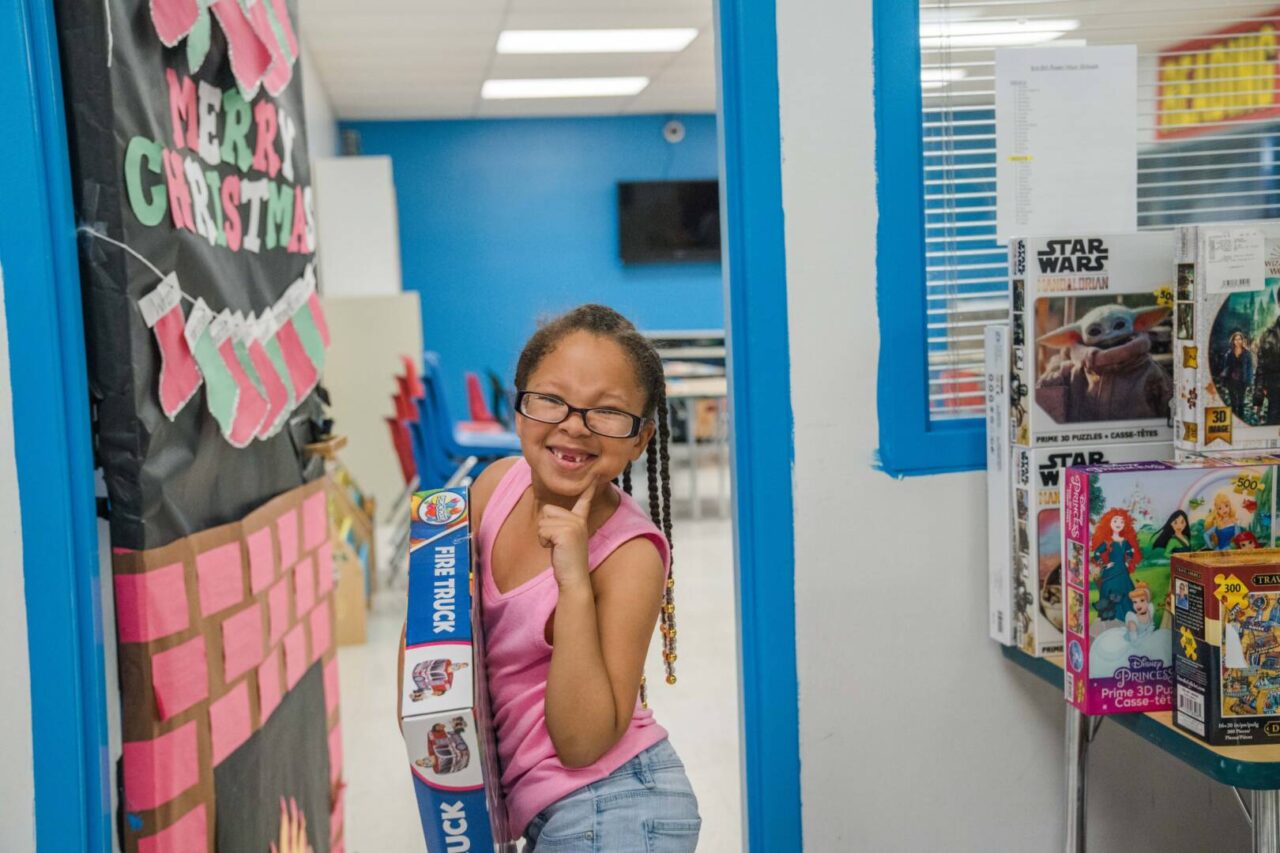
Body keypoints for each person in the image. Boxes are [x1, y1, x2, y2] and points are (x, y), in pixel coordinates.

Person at [469, 305, 698, 850]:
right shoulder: (495, 486)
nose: (574, 424)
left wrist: (573, 582)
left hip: (617, 806)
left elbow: (582, 742)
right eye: (551, 399)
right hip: (543, 809)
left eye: (609, 412)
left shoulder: (631, 555)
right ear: (519, 407)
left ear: (640, 439)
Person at [1218, 330, 1255, 418]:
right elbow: (1225, 368)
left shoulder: (1247, 353)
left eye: (1239, 339)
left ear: (1242, 341)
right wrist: (1224, 380)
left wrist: (1249, 381)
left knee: (1241, 401)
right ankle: (1234, 417)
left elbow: (1250, 368)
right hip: (1231, 381)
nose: (1238, 341)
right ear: (1233, 341)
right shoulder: (1229, 354)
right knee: (1233, 402)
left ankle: (1241, 417)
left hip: (1242, 380)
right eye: (1236, 339)